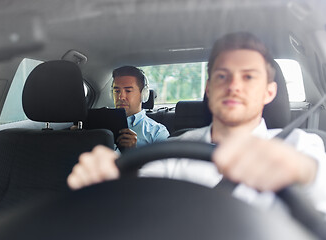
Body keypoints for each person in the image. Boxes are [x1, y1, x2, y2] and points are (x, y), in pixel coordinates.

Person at [67, 32, 326, 213]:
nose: (234, 86)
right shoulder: (176, 149)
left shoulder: (301, 146)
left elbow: (318, 191)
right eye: (223, 76)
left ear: (269, 92)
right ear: (209, 88)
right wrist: (110, 173)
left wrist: (301, 172)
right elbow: (139, 189)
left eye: (248, 77)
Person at [111, 66, 169, 150]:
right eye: (117, 91)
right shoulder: (99, 125)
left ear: (143, 94)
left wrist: (133, 152)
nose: (121, 97)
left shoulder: (157, 132)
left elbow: (163, 162)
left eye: (128, 91)